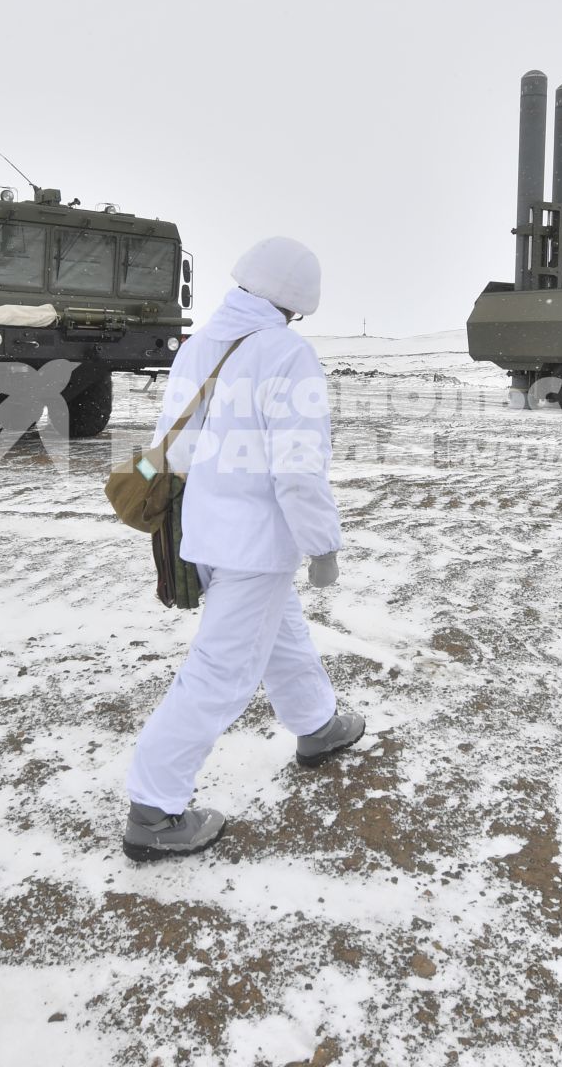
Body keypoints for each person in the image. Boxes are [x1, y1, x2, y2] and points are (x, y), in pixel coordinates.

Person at [123, 236, 363, 862]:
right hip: (258, 544)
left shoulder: (198, 348)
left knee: (279, 632)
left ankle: (316, 725)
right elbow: (299, 469)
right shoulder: (288, 355)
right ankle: (154, 808)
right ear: (298, 303)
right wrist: (322, 543)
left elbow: (170, 452)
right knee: (221, 673)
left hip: (204, 534)